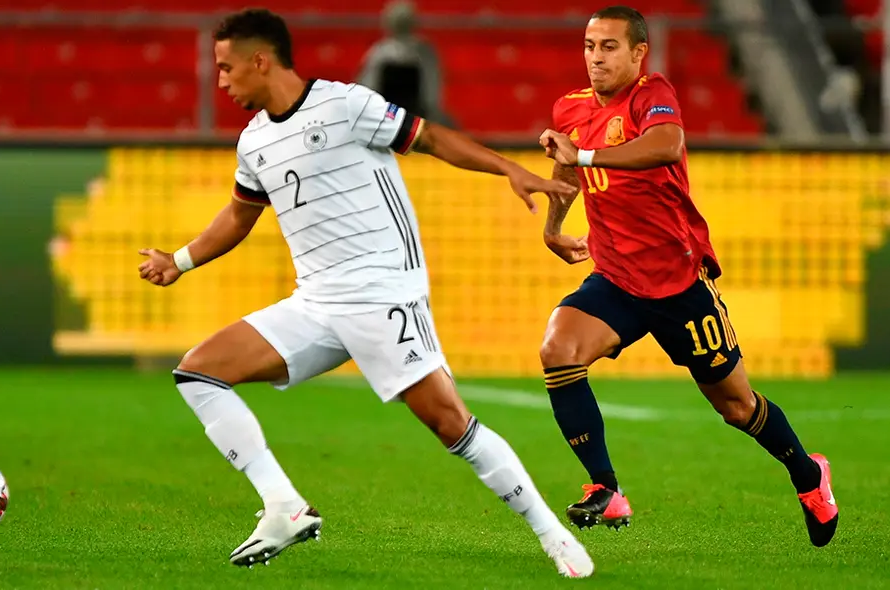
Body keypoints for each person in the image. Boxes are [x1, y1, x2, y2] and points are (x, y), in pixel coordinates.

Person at [137, 8, 594, 577]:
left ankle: (551, 535)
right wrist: (178, 261)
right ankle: (283, 506)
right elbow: (238, 216)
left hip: (383, 293)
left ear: (261, 60)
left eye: (227, 69)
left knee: (451, 423)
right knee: (198, 373)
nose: (221, 81)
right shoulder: (254, 141)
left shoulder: (346, 104)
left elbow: (431, 139)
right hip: (315, 302)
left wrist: (507, 170)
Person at [537, 5, 838, 547]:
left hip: (678, 282)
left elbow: (664, 146)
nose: (596, 58)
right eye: (589, 46)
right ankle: (606, 490)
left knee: (737, 406)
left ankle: (808, 473)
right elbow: (566, 166)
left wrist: (584, 153)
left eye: (608, 47)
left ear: (638, 53)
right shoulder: (571, 108)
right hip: (616, 279)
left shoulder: (653, 94)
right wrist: (554, 229)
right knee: (558, 349)